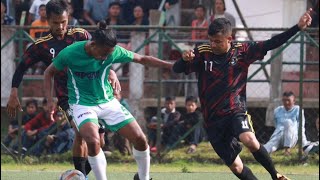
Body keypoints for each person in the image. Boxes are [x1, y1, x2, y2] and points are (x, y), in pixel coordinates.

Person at [172, 8, 313, 180]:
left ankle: (275, 175)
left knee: (249, 139)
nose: (213, 45)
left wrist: (297, 28)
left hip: (235, 111)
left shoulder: (243, 50)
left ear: (229, 39)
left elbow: (272, 43)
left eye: (217, 41)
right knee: (237, 167)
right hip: (213, 120)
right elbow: (176, 69)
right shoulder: (202, 52)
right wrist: (184, 59)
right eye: (211, 41)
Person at [43, 20, 172, 180]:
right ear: (93, 44)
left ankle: (143, 178)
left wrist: (170, 66)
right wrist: (49, 100)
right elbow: (49, 73)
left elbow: (142, 59)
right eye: (104, 53)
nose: (106, 58)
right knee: (92, 140)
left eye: (109, 54)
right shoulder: (70, 53)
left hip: (108, 102)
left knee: (140, 139)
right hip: (81, 104)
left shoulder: (113, 52)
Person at [5, 0, 120, 178]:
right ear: (47, 20)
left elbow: (100, 51)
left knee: (99, 141)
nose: (60, 26)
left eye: (64, 22)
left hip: (92, 93)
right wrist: (14, 91)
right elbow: (21, 67)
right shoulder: (41, 45)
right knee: (81, 133)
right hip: (68, 96)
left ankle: (78, 175)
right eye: (55, 22)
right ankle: (81, 176)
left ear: (69, 18)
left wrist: (111, 72)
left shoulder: (80, 35)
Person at [264, 91, 309, 155]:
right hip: (279, 135)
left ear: (294, 101)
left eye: (288, 100)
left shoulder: (298, 110)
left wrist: (304, 144)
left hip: (292, 137)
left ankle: (287, 149)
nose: (286, 103)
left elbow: (301, 127)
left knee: (287, 122)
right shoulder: (277, 110)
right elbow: (276, 125)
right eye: (284, 100)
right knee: (267, 148)